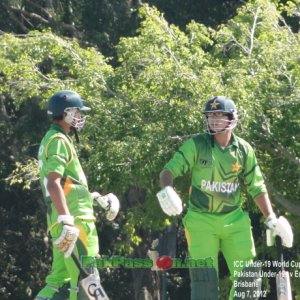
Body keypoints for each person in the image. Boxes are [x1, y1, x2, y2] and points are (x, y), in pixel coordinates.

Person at [156, 96, 293, 300]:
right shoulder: (197, 144)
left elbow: (256, 186)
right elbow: (169, 170)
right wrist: (167, 189)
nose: (214, 120)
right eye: (211, 116)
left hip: (235, 221)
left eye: (219, 115)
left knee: (249, 282)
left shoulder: (244, 150)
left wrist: (271, 217)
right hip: (200, 221)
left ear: (232, 118)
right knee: (205, 285)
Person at [35, 90, 120, 300]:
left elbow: (68, 186)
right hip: (75, 222)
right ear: (66, 113)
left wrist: (95, 198)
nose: (80, 117)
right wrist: (67, 221)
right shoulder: (59, 140)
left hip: (60, 219)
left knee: (59, 281)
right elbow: (53, 182)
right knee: (87, 279)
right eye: (77, 112)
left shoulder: (51, 138)